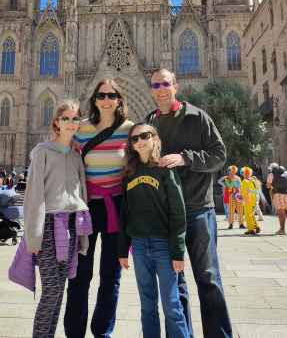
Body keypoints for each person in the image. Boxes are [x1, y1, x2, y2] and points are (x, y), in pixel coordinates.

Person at [146, 68, 232, 338]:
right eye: (156, 85)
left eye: (165, 83)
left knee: (208, 279)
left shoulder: (197, 117)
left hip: (197, 210)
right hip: (166, 215)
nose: (161, 88)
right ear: (151, 90)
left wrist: (187, 158)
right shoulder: (149, 123)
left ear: (176, 86)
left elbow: (219, 155)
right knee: (175, 282)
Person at [64, 79, 134, 338]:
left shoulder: (130, 130)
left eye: (111, 95)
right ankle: (74, 332)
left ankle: (103, 331)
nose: (106, 100)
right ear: (94, 100)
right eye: (101, 95)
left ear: (119, 99)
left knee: (111, 276)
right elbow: (63, 157)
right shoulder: (81, 130)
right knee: (80, 275)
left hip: (117, 208)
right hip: (86, 208)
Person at [25, 100, 92, 338]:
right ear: (56, 122)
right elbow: (33, 195)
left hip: (72, 225)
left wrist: (83, 234)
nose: (71, 123)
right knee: (51, 289)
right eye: (66, 118)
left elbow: (80, 193)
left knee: (60, 290)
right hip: (49, 225)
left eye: (75, 119)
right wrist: (33, 237)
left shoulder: (75, 156)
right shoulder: (43, 151)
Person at [118, 123, 188, 338]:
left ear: (154, 138)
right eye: (134, 139)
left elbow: (178, 212)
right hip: (138, 246)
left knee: (172, 306)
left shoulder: (165, 169)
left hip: (163, 246)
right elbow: (125, 214)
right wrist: (123, 250)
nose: (139, 141)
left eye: (144, 136)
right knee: (147, 306)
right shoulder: (129, 173)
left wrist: (178, 252)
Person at [266, 163, 287, 235]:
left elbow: (268, 186)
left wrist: (271, 186)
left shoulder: (271, 174)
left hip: (278, 194)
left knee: (281, 212)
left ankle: (282, 229)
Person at [240, 167, 260, 235]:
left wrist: (241, 198)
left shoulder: (244, 181)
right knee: (251, 214)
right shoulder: (254, 180)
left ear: (244, 174)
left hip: (247, 200)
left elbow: (243, 192)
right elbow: (257, 190)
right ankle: (256, 226)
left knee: (248, 215)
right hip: (253, 199)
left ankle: (251, 229)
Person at [223, 165, 244, 230]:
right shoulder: (227, 178)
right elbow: (230, 186)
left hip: (238, 194)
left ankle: (241, 224)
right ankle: (231, 224)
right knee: (231, 210)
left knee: (240, 210)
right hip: (231, 195)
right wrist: (232, 180)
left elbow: (240, 186)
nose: (232, 172)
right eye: (230, 171)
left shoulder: (238, 178)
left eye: (233, 171)